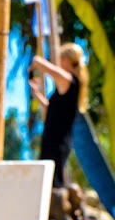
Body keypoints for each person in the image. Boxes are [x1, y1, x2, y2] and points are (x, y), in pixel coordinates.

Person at [28, 43, 89, 188]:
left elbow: (41, 64)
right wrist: (37, 94)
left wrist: (36, 62)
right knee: (50, 184)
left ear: (65, 60)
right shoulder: (70, 83)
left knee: (52, 185)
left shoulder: (69, 80)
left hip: (57, 142)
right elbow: (52, 111)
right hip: (54, 141)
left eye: (60, 58)